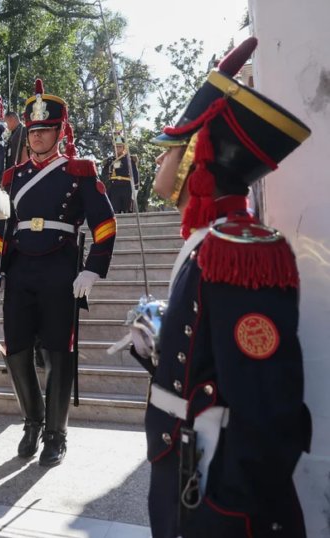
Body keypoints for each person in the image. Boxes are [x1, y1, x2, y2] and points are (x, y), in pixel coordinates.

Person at [135, 37, 312, 538]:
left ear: (199, 158)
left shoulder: (241, 250)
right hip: (182, 465)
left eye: (172, 151)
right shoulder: (209, 242)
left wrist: (228, 509)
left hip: (216, 488)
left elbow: (264, 403)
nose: (161, 164)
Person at [0, 79, 116, 467]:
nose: (38, 136)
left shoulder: (79, 170)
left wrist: (93, 269)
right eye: (33, 130)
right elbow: (3, 230)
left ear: (60, 132)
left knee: (58, 350)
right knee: (16, 349)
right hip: (20, 268)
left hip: (60, 267)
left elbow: (105, 223)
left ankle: (56, 434)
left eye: (45, 130)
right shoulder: (12, 177)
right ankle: (33, 421)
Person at [101, 134, 140, 213]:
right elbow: (104, 174)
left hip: (127, 187)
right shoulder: (110, 160)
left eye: (120, 146)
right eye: (116, 147)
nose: (118, 148)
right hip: (114, 187)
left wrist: (135, 188)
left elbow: (135, 175)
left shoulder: (129, 159)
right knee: (114, 209)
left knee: (127, 209)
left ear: (123, 147)